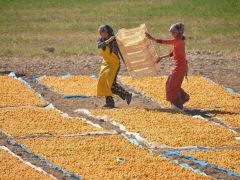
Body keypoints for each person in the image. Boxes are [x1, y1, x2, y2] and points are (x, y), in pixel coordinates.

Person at [146, 22, 189, 111]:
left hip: (179, 67)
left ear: (179, 32)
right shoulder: (178, 41)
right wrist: (162, 57)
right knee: (170, 84)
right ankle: (183, 97)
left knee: (172, 85)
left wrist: (152, 38)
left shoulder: (178, 41)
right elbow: (173, 53)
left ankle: (178, 106)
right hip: (178, 66)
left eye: (173, 32)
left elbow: (165, 42)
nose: (172, 34)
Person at [97, 24, 132, 108]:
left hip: (114, 64)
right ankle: (111, 102)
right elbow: (99, 45)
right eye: (101, 33)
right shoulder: (101, 40)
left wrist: (126, 63)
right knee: (103, 81)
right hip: (105, 63)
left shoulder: (115, 40)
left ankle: (125, 95)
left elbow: (121, 52)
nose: (102, 34)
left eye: (103, 32)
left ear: (108, 32)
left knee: (110, 83)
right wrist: (108, 40)